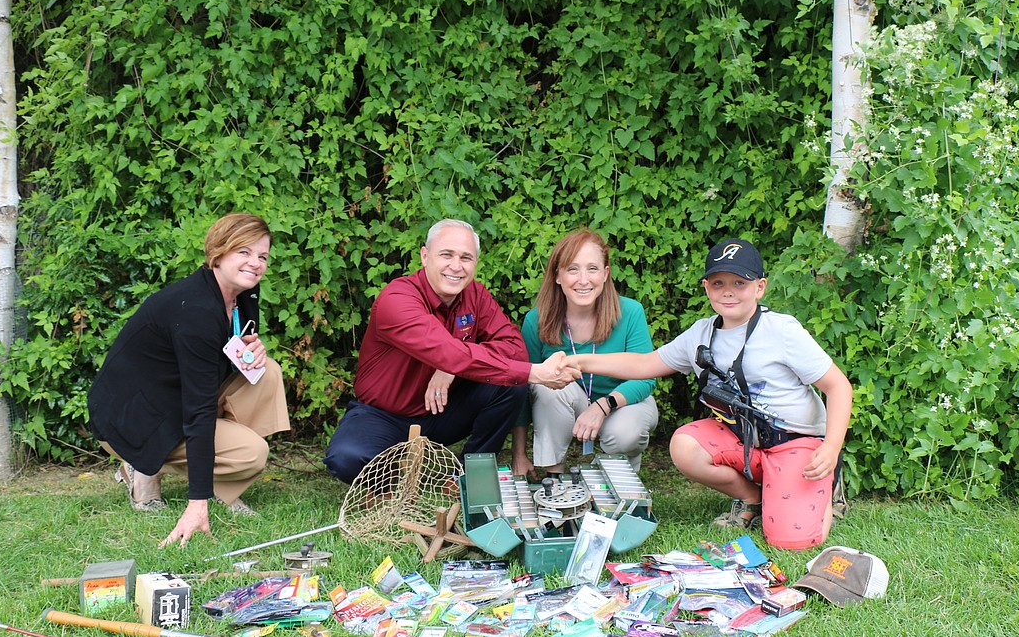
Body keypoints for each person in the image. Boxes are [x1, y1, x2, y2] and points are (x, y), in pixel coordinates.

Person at [565, 237, 853, 550]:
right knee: (685, 445)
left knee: (790, 540)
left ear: (760, 287)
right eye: (718, 283)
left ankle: (827, 485)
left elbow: (838, 386)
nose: (728, 291)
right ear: (706, 288)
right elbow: (645, 363)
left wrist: (832, 447)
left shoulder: (782, 331)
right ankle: (753, 498)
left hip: (794, 441)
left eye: (740, 283)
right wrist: (578, 360)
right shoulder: (701, 333)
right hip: (746, 441)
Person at [87, 213, 290, 548]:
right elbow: (197, 409)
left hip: (173, 396)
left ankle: (227, 486)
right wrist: (197, 505)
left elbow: (213, 363)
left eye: (262, 256)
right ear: (218, 253)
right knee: (253, 453)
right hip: (133, 419)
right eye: (244, 252)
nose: (255, 263)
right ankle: (142, 467)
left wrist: (248, 352)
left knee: (267, 372)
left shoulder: (242, 296)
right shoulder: (195, 310)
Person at [324, 219, 580, 483]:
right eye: (446, 254)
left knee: (509, 385)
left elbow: (514, 348)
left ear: (475, 263)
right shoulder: (397, 299)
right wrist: (533, 373)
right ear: (425, 256)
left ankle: (468, 475)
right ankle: (387, 475)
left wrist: (451, 368)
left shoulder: (475, 295)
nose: (456, 266)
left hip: (443, 412)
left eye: (466, 258)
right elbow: (444, 350)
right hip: (384, 416)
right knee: (346, 457)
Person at [511, 228, 657, 477]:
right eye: (572, 269)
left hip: (620, 403)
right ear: (558, 275)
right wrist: (519, 454)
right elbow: (524, 385)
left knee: (625, 432)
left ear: (605, 273)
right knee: (545, 385)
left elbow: (645, 375)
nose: (583, 279)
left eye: (592, 268)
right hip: (569, 401)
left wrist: (603, 405)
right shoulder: (536, 320)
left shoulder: (631, 312)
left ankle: (619, 478)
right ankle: (554, 476)